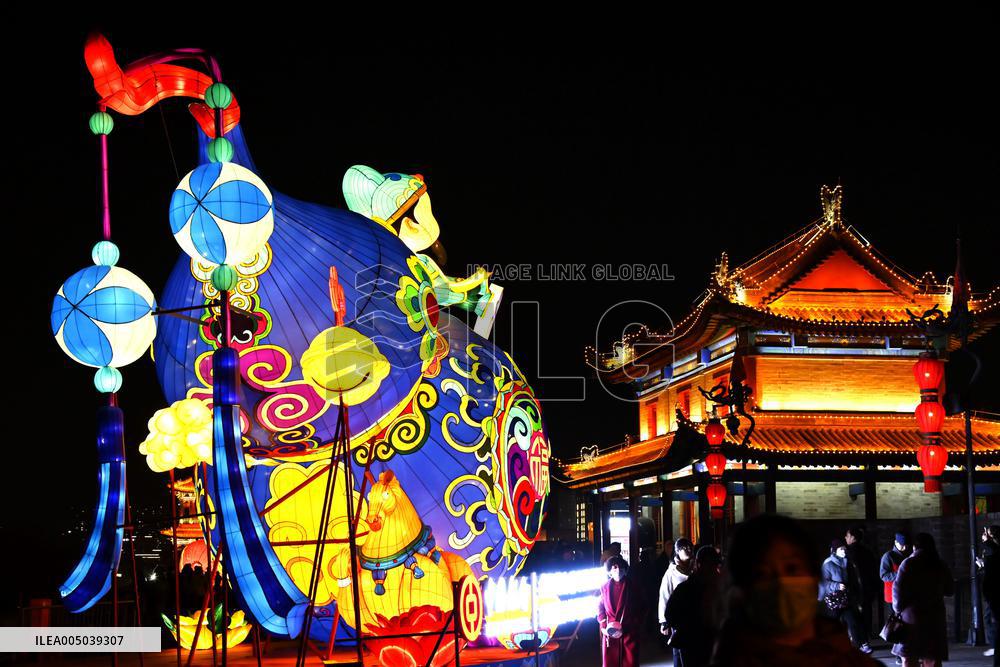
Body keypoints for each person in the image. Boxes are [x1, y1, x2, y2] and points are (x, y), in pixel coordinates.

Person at [711, 514, 880, 666]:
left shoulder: (849, 660)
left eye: (792, 569)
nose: (781, 584)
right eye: (761, 573)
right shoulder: (732, 657)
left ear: (814, 576)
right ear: (738, 588)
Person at [891, 532, 954, 666]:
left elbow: (898, 589)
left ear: (915, 546)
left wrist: (898, 609)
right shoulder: (940, 564)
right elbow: (950, 590)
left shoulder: (908, 563)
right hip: (934, 616)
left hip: (912, 616)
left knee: (910, 657)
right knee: (931, 657)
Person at [664, 546, 723, 667]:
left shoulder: (685, 588)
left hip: (690, 643)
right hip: (717, 643)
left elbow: (670, 614)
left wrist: (684, 626)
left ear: (697, 563)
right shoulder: (724, 588)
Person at [820, 538, 872, 653]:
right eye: (841, 549)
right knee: (832, 626)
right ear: (834, 551)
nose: (844, 551)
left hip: (846, 599)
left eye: (844, 548)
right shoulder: (828, 564)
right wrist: (837, 586)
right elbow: (824, 582)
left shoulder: (847, 562)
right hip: (833, 600)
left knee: (853, 622)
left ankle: (857, 648)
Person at [598, 555, 641, 667]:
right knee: (611, 661)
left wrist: (635, 623)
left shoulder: (634, 587)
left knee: (630, 661)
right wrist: (603, 626)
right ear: (609, 571)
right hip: (610, 632)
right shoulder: (604, 587)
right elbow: (600, 608)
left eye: (621, 567)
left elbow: (642, 607)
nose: (618, 570)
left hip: (629, 631)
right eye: (614, 567)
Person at [658, 537, 694, 664]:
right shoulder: (671, 572)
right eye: (685, 548)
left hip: (695, 616)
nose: (688, 550)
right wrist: (664, 621)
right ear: (677, 551)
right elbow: (664, 595)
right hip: (678, 617)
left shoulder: (695, 567)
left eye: (690, 547)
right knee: (678, 650)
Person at [845, 526, 879, 635]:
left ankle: (860, 640)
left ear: (853, 538)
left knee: (856, 617)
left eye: (848, 535)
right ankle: (867, 637)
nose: (845, 537)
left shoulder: (849, 553)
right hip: (869, 589)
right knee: (867, 614)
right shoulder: (868, 552)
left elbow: (850, 574)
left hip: (856, 590)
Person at [978, 525, 1000, 657]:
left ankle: (995, 645)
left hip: (994, 592)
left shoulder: (993, 548)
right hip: (991, 592)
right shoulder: (992, 549)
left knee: (991, 618)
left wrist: (987, 541)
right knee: (989, 618)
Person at [880, 532, 910, 624]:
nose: (904, 547)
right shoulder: (888, 556)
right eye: (902, 545)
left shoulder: (907, 555)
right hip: (892, 595)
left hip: (905, 593)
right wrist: (900, 573)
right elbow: (883, 576)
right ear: (895, 542)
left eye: (905, 545)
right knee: (895, 621)